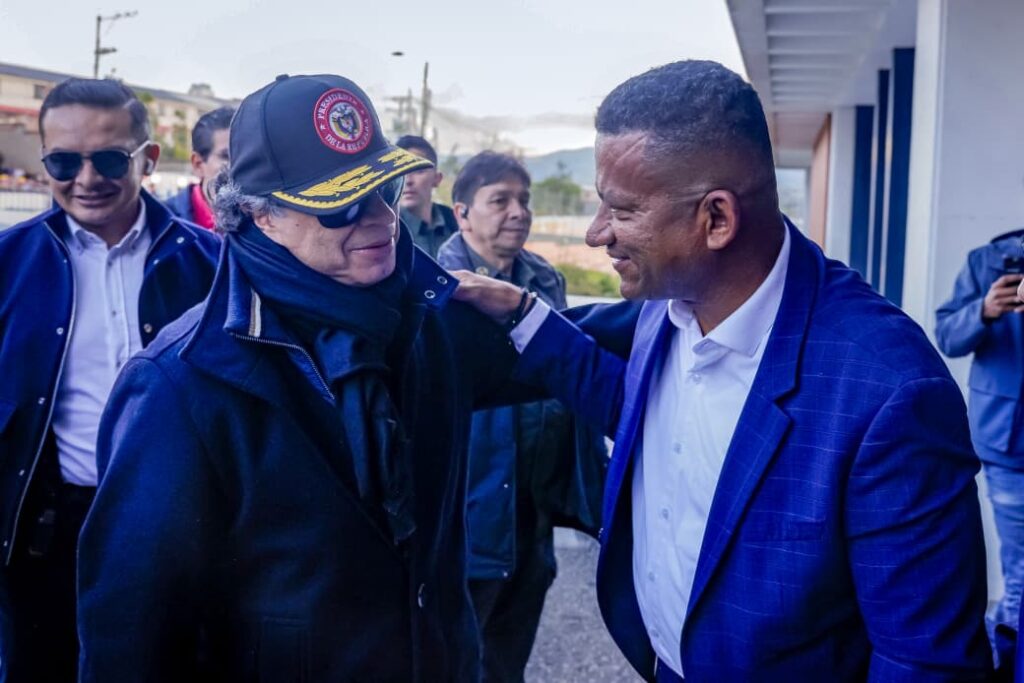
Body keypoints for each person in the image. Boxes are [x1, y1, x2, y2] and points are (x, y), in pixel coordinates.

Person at [453, 60, 992, 681]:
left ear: (716, 219)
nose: (597, 233)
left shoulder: (888, 393)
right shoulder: (673, 302)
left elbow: (923, 662)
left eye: (621, 210)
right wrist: (524, 313)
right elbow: (644, 416)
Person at [76, 73, 525, 682]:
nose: (379, 219)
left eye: (386, 190)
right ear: (260, 215)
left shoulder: (430, 321)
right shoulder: (180, 385)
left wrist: (527, 312)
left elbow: (609, 350)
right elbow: (129, 639)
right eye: (340, 203)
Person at [0, 78, 220, 683]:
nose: (87, 178)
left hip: (181, 527)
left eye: (108, 158)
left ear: (148, 159)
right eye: (64, 161)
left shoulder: (214, 264)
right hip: (46, 534)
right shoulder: (7, 264)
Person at [436, 151, 605, 682]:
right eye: (500, 200)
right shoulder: (438, 287)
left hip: (532, 510)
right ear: (462, 213)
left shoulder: (543, 279)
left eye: (524, 200)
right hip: (470, 509)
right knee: (455, 660)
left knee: (509, 660)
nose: (518, 212)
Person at [936, 230, 1024, 668]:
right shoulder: (988, 259)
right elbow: (947, 336)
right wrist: (985, 310)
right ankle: (1008, 657)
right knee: (1022, 564)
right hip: (1008, 441)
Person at [165, 106, 235, 230]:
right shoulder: (161, 221)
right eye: (227, 156)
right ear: (198, 164)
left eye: (246, 155)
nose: (239, 164)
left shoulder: (271, 222)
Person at [395, 134, 458, 258]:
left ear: (437, 178)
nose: (407, 181)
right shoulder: (389, 230)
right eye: (399, 172)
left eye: (418, 170)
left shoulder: (455, 222)